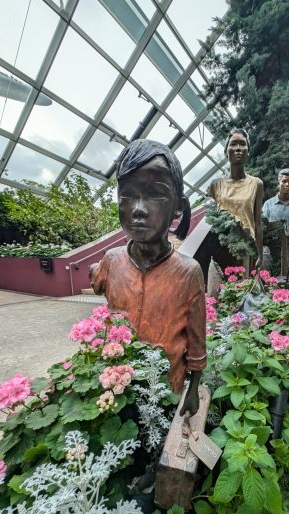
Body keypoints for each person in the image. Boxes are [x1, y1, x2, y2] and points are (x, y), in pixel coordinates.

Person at [90, 140, 206, 417]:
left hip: (166, 391)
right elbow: (96, 280)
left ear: (178, 207)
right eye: (127, 195)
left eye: (155, 194)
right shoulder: (111, 261)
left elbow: (197, 340)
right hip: (115, 391)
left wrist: (193, 389)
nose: (138, 208)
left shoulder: (188, 272)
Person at [207, 128, 264, 271]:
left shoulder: (256, 184)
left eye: (242, 144)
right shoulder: (215, 186)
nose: (238, 148)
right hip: (219, 251)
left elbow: (257, 223)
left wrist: (260, 255)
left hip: (246, 250)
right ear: (226, 150)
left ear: (248, 150)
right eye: (233, 144)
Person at [262, 168, 289, 276]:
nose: (287, 184)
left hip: (287, 244)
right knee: (269, 276)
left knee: (286, 276)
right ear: (279, 182)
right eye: (284, 181)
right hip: (271, 245)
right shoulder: (268, 204)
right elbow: (263, 228)